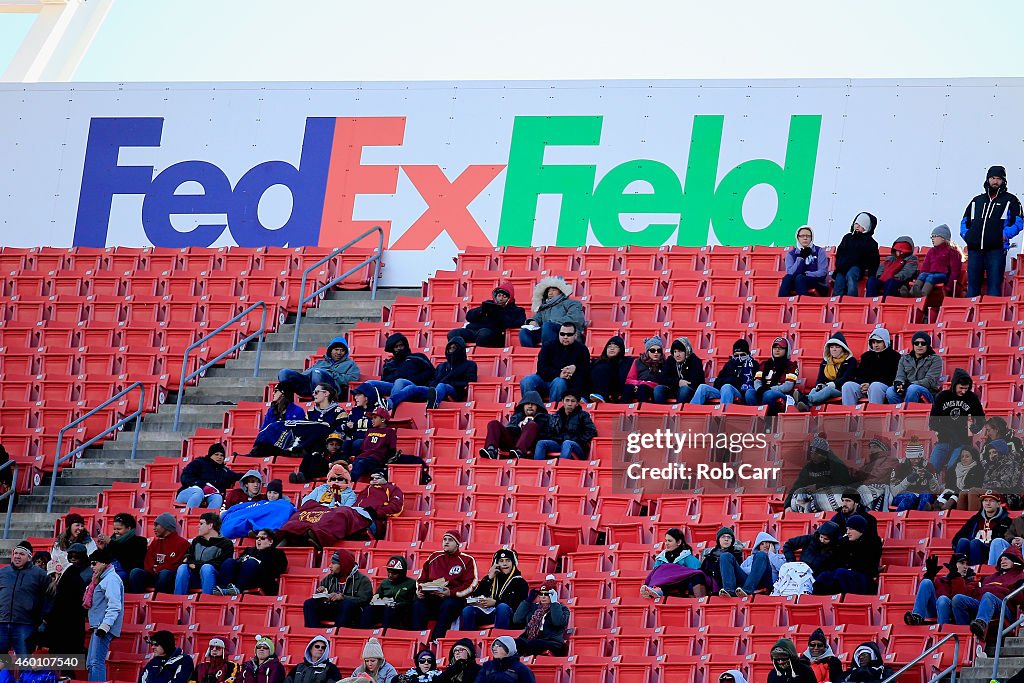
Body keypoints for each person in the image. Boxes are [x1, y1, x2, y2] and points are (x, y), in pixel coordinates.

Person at [961, 165, 1023, 297]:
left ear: (1003, 181)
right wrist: (968, 236)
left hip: (996, 250)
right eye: (992, 178)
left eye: (998, 178)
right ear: (987, 179)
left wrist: (1004, 235)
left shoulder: (1011, 200)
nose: (995, 181)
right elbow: (964, 221)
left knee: (994, 287)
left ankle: (991, 317)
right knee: (972, 288)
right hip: (975, 250)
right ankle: (971, 316)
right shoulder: (976, 200)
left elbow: (1019, 222)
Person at [411, 531, 478, 642]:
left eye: (450, 540)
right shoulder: (434, 557)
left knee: (448, 605)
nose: (446, 542)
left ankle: (436, 640)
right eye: (444, 539)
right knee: (418, 603)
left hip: (454, 598)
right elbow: (421, 579)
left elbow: (471, 585)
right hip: (432, 597)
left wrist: (451, 593)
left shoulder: (467, 560)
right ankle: (417, 639)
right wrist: (420, 590)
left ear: (457, 544)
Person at [387, 337, 477, 410]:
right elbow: (433, 380)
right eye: (449, 348)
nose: (451, 350)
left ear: (460, 349)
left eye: (454, 348)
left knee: (442, 385)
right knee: (411, 388)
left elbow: (469, 383)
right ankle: (389, 404)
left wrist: (447, 381)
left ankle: (433, 404)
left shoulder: (470, 365)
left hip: (455, 393)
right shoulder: (442, 366)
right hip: (433, 391)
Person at [954, 546, 1024, 639]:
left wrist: (1004, 590)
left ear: (1015, 561)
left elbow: (1020, 598)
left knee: (988, 596)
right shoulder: (989, 578)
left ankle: (981, 624)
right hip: (983, 603)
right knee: (958, 599)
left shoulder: (1020, 577)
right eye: (1001, 559)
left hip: (1004, 607)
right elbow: (974, 592)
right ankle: (965, 634)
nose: (1003, 561)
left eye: (1006, 559)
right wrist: (965, 581)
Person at [40, 542, 90, 661]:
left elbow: (61, 605)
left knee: (64, 666)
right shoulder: (71, 576)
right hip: (65, 629)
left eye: (76, 556)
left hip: (66, 629)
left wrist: (46, 619)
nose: (73, 558)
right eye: (70, 555)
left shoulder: (70, 579)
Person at [928, 368, 985, 472]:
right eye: (961, 388)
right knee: (931, 469)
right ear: (954, 384)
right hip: (943, 441)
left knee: (952, 470)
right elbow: (932, 423)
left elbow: (981, 418)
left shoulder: (972, 397)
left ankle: (951, 488)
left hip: (963, 442)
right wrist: (950, 433)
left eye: (966, 388)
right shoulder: (942, 396)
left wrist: (978, 426)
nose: (963, 391)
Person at [519, 322, 591, 403]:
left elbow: (586, 370)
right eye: (562, 334)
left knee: (559, 382)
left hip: (566, 383)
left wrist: (575, 368)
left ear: (575, 335)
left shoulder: (582, 349)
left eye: (569, 334)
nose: (565, 337)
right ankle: (529, 409)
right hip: (544, 379)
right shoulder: (548, 346)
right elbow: (541, 368)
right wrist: (559, 373)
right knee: (527, 380)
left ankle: (553, 411)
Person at [354, 333, 434, 405]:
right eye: (396, 347)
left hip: (414, 386)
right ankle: (363, 406)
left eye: (401, 345)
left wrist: (413, 378)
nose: (399, 348)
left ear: (405, 345)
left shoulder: (418, 357)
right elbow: (384, 379)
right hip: (393, 386)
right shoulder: (389, 363)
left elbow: (430, 372)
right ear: (392, 349)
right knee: (370, 383)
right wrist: (397, 375)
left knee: (400, 381)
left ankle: (389, 407)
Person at [460, 548, 529, 630]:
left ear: (513, 563)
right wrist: (489, 578)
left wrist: (495, 603)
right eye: (501, 561)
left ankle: (499, 638)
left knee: (502, 607)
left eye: (508, 560)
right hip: (487, 612)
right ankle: (469, 640)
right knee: (468, 610)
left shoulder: (520, 582)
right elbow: (475, 594)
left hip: (507, 615)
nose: (504, 564)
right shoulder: (490, 578)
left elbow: (517, 604)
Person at [302, 549, 372, 628]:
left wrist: (343, 597)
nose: (330, 566)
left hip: (353, 613)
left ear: (343, 565)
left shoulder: (362, 580)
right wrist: (322, 593)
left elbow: (364, 600)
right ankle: (314, 633)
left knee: (346, 604)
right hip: (333, 609)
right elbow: (323, 596)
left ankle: (337, 633)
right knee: (309, 603)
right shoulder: (329, 578)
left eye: (333, 563)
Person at [0, 541, 48, 655]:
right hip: (2, 622)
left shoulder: (40, 574)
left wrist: (43, 619)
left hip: (25, 624)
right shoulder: (3, 573)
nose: (17, 556)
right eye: (15, 553)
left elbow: (48, 597)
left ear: (29, 557)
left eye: (21, 554)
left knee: (24, 661)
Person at [813, 515, 881, 595]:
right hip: (845, 574)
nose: (848, 532)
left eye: (851, 529)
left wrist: (849, 568)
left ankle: (844, 599)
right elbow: (835, 560)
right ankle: (818, 600)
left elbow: (869, 565)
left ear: (860, 530)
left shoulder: (873, 542)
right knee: (824, 575)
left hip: (864, 578)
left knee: (840, 573)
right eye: (847, 529)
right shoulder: (844, 542)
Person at [448, 280, 526, 348]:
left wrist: (499, 313)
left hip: (493, 334)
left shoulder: (517, 310)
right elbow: (469, 316)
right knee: (453, 333)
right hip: (473, 330)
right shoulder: (488, 304)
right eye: (499, 295)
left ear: (510, 298)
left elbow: (519, 322)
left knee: (484, 333)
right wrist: (482, 311)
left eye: (504, 296)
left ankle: (477, 355)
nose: (501, 299)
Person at [905, 553, 976, 626]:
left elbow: (958, 601)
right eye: (962, 563)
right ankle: (917, 617)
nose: (965, 567)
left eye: (967, 564)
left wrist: (957, 578)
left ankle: (941, 631)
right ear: (954, 564)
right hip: (935, 610)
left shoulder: (970, 582)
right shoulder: (940, 580)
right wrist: (929, 575)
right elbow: (922, 595)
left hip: (954, 614)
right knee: (926, 582)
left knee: (943, 599)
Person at [85, 548, 124, 682]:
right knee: (90, 663)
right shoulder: (101, 579)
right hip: (98, 626)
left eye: (94, 563)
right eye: (90, 563)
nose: (92, 566)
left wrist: (105, 626)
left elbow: (115, 605)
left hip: (103, 627)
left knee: (96, 663)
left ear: (103, 563)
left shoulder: (111, 579)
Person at [785, 435, 853, 510]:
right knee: (799, 492)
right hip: (814, 497)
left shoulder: (837, 465)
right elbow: (797, 485)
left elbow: (843, 486)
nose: (813, 456)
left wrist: (818, 486)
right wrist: (787, 505)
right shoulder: (809, 467)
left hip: (833, 498)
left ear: (824, 454)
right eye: (811, 453)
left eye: (816, 454)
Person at [278, 337, 360, 398]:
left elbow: (353, 378)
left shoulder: (350, 364)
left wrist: (332, 374)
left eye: (342, 350)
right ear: (330, 350)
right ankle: (288, 404)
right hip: (309, 386)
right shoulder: (321, 362)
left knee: (317, 373)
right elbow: (306, 373)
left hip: (332, 389)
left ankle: (316, 404)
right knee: (284, 373)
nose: (339, 352)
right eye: (336, 349)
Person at [174, 512, 234, 595]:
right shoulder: (196, 541)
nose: (198, 526)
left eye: (201, 523)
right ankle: (178, 600)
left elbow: (221, 563)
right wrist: (191, 563)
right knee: (183, 567)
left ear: (210, 525)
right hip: (195, 576)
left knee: (206, 568)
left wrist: (198, 565)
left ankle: (206, 601)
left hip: (214, 578)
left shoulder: (226, 543)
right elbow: (187, 557)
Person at [129, 512, 190, 594]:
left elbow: (176, 565)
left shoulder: (182, 543)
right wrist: (154, 568)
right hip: (153, 574)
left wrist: (158, 568)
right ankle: (139, 601)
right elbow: (148, 562)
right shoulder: (155, 542)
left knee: (165, 573)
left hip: (169, 577)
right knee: (135, 572)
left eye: (157, 525)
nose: (154, 528)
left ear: (166, 526)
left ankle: (159, 600)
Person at [240, 383, 306, 458]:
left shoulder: (297, 410)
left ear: (283, 393)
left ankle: (252, 456)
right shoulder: (272, 410)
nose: (273, 393)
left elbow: (295, 432)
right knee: (262, 444)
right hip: (272, 443)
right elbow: (264, 429)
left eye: (276, 391)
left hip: (288, 444)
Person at [640, 527, 709, 599]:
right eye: (666, 540)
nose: (666, 543)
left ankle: (699, 600)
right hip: (666, 582)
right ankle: (656, 590)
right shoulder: (661, 558)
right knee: (661, 570)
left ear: (679, 542)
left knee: (698, 576)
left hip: (681, 582)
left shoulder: (686, 556)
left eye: (669, 541)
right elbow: (656, 573)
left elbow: (695, 571)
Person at [216, 528, 288, 596]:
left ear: (271, 541)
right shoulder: (249, 550)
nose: (258, 540)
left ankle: (237, 589)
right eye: (257, 538)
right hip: (241, 576)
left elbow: (280, 569)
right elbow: (238, 562)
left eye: (262, 538)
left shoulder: (277, 553)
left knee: (251, 563)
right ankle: (223, 589)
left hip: (260, 580)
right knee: (229, 561)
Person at [479, 391, 549, 460]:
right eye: (527, 404)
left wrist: (531, 422)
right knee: (494, 423)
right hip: (512, 442)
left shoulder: (544, 418)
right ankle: (491, 450)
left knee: (532, 425)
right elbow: (510, 430)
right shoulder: (517, 416)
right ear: (523, 406)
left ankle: (519, 452)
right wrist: (519, 424)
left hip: (530, 444)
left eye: (533, 404)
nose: (530, 406)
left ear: (538, 406)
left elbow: (544, 434)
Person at [519, 276, 585, 348]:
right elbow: (538, 317)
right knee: (524, 332)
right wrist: (533, 321)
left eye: (553, 290)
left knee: (547, 326)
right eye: (548, 291)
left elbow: (575, 319)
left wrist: (552, 322)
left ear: (560, 291)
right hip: (546, 331)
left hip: (566, 332)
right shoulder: (545, 307)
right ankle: (531, 355)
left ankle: (548, 353)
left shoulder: (572, 303)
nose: (550, 293)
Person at [841, 328, 900, 405]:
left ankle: (873, 415)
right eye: (873, 342)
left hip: (884, 386)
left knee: (875, 386)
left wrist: (869, 384)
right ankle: (849, 414)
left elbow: (891, 377)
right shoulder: (866, 356)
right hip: (866, 386)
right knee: (847, 386)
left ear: (885, 341)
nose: (875, 345)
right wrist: (862, 384)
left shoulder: (895, 357)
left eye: (879, 342)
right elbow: (860, 374)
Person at [513, 578, 570, 657]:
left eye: (546, 594)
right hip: (532, 639)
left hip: (552, 642)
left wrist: (554, 604)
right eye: (541, 593)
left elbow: (558, 622)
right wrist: (527, 601)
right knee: (513, 643)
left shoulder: (562, 608)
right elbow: (516, 619)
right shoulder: (533, 607)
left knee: (534, 643)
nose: (543, 597)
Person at [533, 391, 597, 460]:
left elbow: (591, 431)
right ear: (563, 402)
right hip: (558, 444)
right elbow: (549, 432)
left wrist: (577, 439)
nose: (569, 404)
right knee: (541, 443)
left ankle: (560, 469)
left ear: (577, 404)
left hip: (577, 446)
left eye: (573, 401)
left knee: (567, 443)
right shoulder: (556, 416)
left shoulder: (583, 415)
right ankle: (538, 467)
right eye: (567, 400)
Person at [691, 339, 758, 406]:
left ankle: (722, 415)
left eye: (742, 355)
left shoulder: (753, 364)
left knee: (727, 387)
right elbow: (717, 381)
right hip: (723, 391)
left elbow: (752, 384)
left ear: (748, 354)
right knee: (702, 387)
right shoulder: (730, 364)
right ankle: (690, 413)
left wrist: (730, 382)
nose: (739, 358)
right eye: (736, 355)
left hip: (740, 393)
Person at [952, 491, 1011, 566]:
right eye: (985, 500)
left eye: (991, 501)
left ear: (998, 504)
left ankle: (975, 572)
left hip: (991, 552)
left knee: (975, 542)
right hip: (972, 549)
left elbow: (1005, 541)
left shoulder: (1006, 521)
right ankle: (957, 570)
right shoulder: (975, 519)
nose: (987, 503)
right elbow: (959, 536)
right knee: (963, 541)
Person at [719, 531, 785, 598]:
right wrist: (756, 569)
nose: (765, 545)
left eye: (767, 543)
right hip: (748, 582)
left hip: (767, 583)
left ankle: (747, 590)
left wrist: (771, 554)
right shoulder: (750, 558)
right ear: (758, 546)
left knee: (761, 555)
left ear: (772, 544)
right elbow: (741, 570)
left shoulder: (779, 557)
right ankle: (729, 591)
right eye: (762, 544)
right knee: (725, 556)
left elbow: (782, 569)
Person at [359, 555, 417, 631]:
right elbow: (377, 596)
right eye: (388, 572)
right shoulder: (384, 583)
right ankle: (364, 632)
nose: (390, 575)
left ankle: (385, 634)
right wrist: (376, 599)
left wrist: (397, 604)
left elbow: (413, 602)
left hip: (401, 610)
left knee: (389, 609)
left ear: (402, 573)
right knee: (369, 608)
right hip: (383, 607)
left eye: (394, 573)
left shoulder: (411, 583)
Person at [177, 443, 242, 510]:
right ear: (210, 455)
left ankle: (208, 519)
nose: (219, 457)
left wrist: (251, 474)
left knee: (218, 497)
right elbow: (185, 477)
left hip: (208, 495)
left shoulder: (224, 470)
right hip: (188, 492)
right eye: (216, 454)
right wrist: (202, 485)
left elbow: (236, 476)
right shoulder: (199, 463)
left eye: (222, 455)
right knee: (198, 493)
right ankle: (190, 518)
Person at [885, 331, 943, 405]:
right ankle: (899, 413)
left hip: (928, 391)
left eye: (923, 343)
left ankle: (907, 414)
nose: (919, 345)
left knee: (913, 388)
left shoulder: (936, 359)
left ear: (927, 345)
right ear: (913, 345)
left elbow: (930, 381)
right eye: (916, 343)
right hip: (907, 388)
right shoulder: (904, 359)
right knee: (890, 391)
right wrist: (899, 384)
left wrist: (909, 385)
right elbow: (900, 376)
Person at [831, 212, 879, 297]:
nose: (857, 226)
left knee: (851, 275)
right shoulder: (847, 237)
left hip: (858, 267)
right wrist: (839, 264)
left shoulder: (871, 243)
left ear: (866, 227)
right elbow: (840, 252)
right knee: (839, 279)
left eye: (861, 225)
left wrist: (871, 273)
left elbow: (874, 260)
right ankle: (836, 302)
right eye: (856, 223)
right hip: (843, 266)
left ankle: (852, 299)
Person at [747, 337, 798, 416]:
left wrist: (769, 389)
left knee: (768, 395)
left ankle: (769, 421)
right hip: (763, 390)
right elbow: (757, 381)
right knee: (749, 393)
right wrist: (760, 389)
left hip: (782, 393)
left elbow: (788, 386)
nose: (777, 350)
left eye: (781, 348)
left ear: (786, 350)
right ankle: (756, 418)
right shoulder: (764, 364)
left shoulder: (791, 365)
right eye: (775, 348)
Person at [804, 333, 857, 408]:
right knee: (814, 389)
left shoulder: (851, 361)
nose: (834, 349)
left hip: (842, 389)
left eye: (837, 347)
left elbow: (847, 377)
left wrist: (833, 384)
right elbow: (820, 379)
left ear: (843, 348)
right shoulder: (825, 362)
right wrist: (820, 385)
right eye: (832, 347)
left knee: (828, 389)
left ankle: (804, 399)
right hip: (826, 387)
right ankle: (807, 404)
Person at [95, 512, 148, 584]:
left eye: (119, 529)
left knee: (113, 579)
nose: (116, 532)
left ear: (128, 528)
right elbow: (103, 560)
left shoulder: (140, 541)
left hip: (126, 574)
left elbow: (128, 557)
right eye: (114, 529)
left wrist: (110, 543)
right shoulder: (112, 541)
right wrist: (102, 549)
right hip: (109, 571)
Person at [911, 224, 962, 298]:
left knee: (931, 277)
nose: (932, 239)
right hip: (930, 274)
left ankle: (923, 295)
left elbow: (955, 271)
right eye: (932, 237)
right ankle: (911, 293)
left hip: (943, 275)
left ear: (943, 238)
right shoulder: (931, 251)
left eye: (935, 236)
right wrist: (922, 274)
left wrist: (949, 286)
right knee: (923, 275)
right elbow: (925, 268)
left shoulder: (952, 252)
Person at [891, 439, 943, 511]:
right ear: (908, 457)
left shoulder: (929, 466)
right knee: (909, 497)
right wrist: (908, 480)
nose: (916, 461)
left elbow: (937, 491)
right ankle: (899, 520)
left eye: (918, 458)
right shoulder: (899, 467)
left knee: (926, 495)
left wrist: (930, 477)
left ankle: (921, 519)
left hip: (923, 495)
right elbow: (894, 492)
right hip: (904, 496)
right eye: (913, 458)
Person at [354, 469, 405, 539]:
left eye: (378, 478)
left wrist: (376, 513)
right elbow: (356, 504)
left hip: (374, 521)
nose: (374, 480)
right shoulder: (366, 489)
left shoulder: (393, 489)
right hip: (357, 516)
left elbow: (396, 507)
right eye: (372, 478)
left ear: (385, 479)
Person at [779, 225, 829, 296]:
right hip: (796, 282)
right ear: (797, 237)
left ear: (812, 238)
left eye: (808, 236)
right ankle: (781, 303)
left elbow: (822, 272)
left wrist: (806, 274)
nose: (805, 238)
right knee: (787, 278)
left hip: (817, 284)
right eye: (802, 236)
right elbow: (790, 273)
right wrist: (801, 258)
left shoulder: (819, 251)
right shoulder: (791, 254)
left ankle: (804, 304)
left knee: (800, 278)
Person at [351, 408, 397, 483]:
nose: (372, 420)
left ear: (383, 419)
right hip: (363, 457)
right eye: (372, 418)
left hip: (376, 459)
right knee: (356, 463)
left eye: (375, 418)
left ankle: (349, 483)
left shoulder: (390, 431)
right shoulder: (369, 431)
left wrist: (384, 462)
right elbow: (363, 448)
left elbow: (392, 449)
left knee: (361, 463)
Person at [658, 336, 705, 405]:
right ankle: (660, 412)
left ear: (686, 351)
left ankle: (677, 413)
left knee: (684, 389)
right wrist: (678, 382)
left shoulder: (695, 361)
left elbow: (695, 382)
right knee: (658, 389)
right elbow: (662, 378)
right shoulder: (670, 360)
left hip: (691, 391)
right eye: (675, 352)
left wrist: (682, 384)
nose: (677, 355)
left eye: (680, 351)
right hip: (673, 389)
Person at [588, 335, 634, 404]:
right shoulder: (597, 362)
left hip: (617, 389)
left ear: (621, 349)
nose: (612, 349)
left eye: (615, 347)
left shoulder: (627, 362)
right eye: (609, 347)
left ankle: (602, 395)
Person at [701, 527, 744, 595]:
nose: (726, 539)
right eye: (723, 537)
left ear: (732, 540)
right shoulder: (710, 555)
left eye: (729, 537)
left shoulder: (737, 554)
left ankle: (729, 591)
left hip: (734, 582)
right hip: (714, 583)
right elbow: (703, 570)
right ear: (719, 539)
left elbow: (738, 570)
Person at [625, 337, 667, 404]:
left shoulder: (665, 363)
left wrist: (645, 384)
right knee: (628, 388)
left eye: (659, 350)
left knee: (643, 388)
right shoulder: (637, 362)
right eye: (653, 350)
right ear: (647, 351)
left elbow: (663, 382)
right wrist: (637, 384)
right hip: (638, 386)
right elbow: (629, 379)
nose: (656, 353)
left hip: (652, 388)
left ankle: (641, 411)